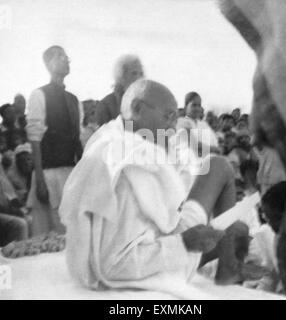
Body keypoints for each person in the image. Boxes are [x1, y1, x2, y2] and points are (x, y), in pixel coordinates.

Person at [60, 79, 247, 291]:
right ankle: (228, 275)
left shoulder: (113, 138)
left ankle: (227, 270)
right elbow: (113, 265)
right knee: (222, 174)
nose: (172, 126)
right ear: (137, 109)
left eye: (175, 118)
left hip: (164, 238)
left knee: (235, 224)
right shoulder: (126, 160)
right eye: (167, 116)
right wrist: (185, 242)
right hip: (163, 257)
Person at [26, 45, 83, 235]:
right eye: (60, 56)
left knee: (71, 234)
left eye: (66, 56)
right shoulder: (39, 95)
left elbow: (77, 141)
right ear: (48, 64)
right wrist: (40, 181)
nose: (66, 59)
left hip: (70, 174)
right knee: (46, 236)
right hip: (48, 175)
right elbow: (35, 140)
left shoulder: (74, 100)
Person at [95, 54, 144, 126]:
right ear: (121, 76)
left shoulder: (149, 103)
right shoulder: (106, 106)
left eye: (141, 74)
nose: (139, 78)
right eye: (134, 73)